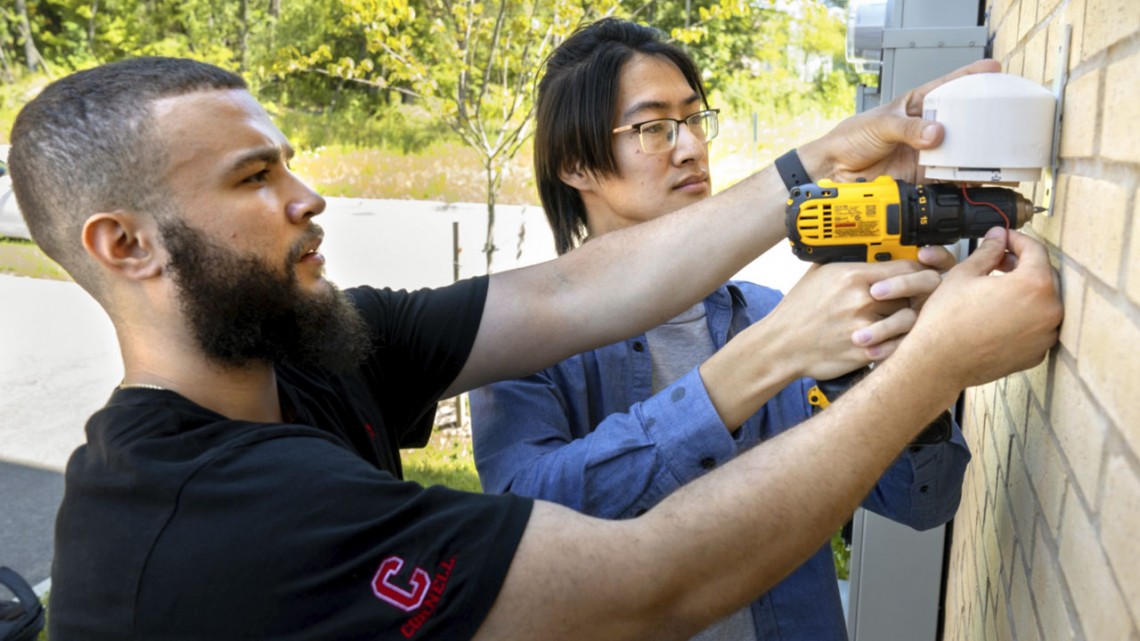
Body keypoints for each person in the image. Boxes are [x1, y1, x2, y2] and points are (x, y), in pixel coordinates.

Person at [8, 54, 1060, 641]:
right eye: (252, 178)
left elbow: (572, 289)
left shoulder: (317, 350)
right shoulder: (207, 511)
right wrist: (918, 363)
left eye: (287, 161)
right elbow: (649, 582)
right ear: (125, 245)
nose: (308, 195)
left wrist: (818, 161)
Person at [470, 19, 969, 640]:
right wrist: (758, 363)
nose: (690, 148)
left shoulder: (767, 312)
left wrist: (903, 366)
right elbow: (525, 521)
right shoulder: (519, 344)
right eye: (653, 128)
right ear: (575, 164)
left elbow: (923, 502)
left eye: (694, 119)